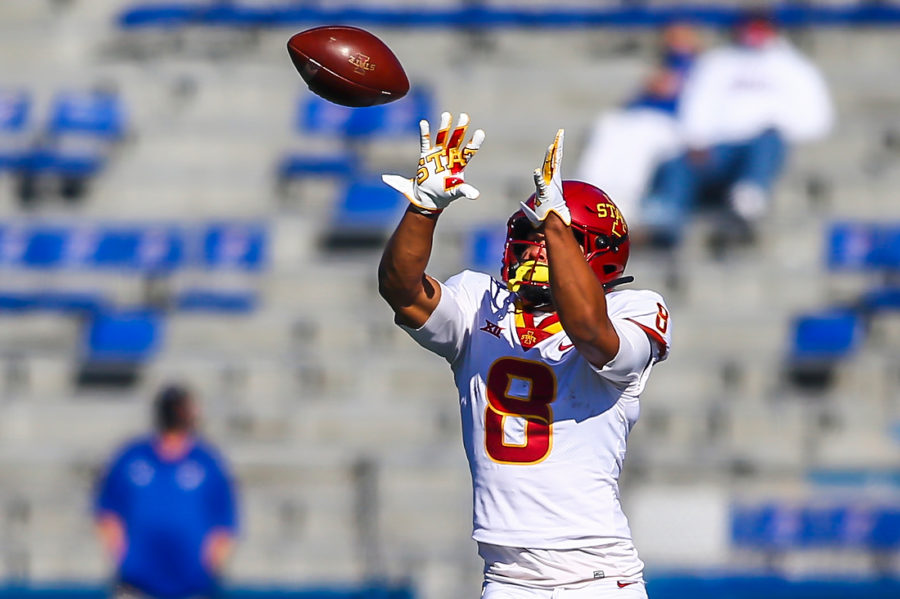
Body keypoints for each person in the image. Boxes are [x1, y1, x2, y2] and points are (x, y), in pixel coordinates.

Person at [379, 112, 672, 598]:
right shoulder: (478, 301)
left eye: (548, 238)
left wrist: (555, 223)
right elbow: (402, 291)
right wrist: (423, 208)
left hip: (596, 577)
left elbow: (594, 336)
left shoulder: (635, 308)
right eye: (529, 237)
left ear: (593, 251)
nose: (534, 249)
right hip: (507, 578)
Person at [640, 10, 834, 249]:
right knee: (677, 164)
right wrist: (696, 140)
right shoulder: (718, 63)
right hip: (718, 148)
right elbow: (696, 105)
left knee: (768, 142)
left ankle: (747, 201)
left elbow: (816, 119)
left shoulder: (794, 68)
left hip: (763, 144)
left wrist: (772, 126)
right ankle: (664, 229)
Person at [94, 384, 239, 599]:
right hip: (137, 585)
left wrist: (207, 566)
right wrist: (125, 557)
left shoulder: (206, 462)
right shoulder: (132, 457)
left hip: (191, 587)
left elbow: (224, 524)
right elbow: (108, 512)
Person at [575, 22, 701, 226]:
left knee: (641, 142)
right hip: (637, 117)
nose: (675, 41)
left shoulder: (702, 68)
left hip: (670, 124)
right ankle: (583, 196)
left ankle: (622, 206)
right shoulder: (663, 65)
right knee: (609, 125)